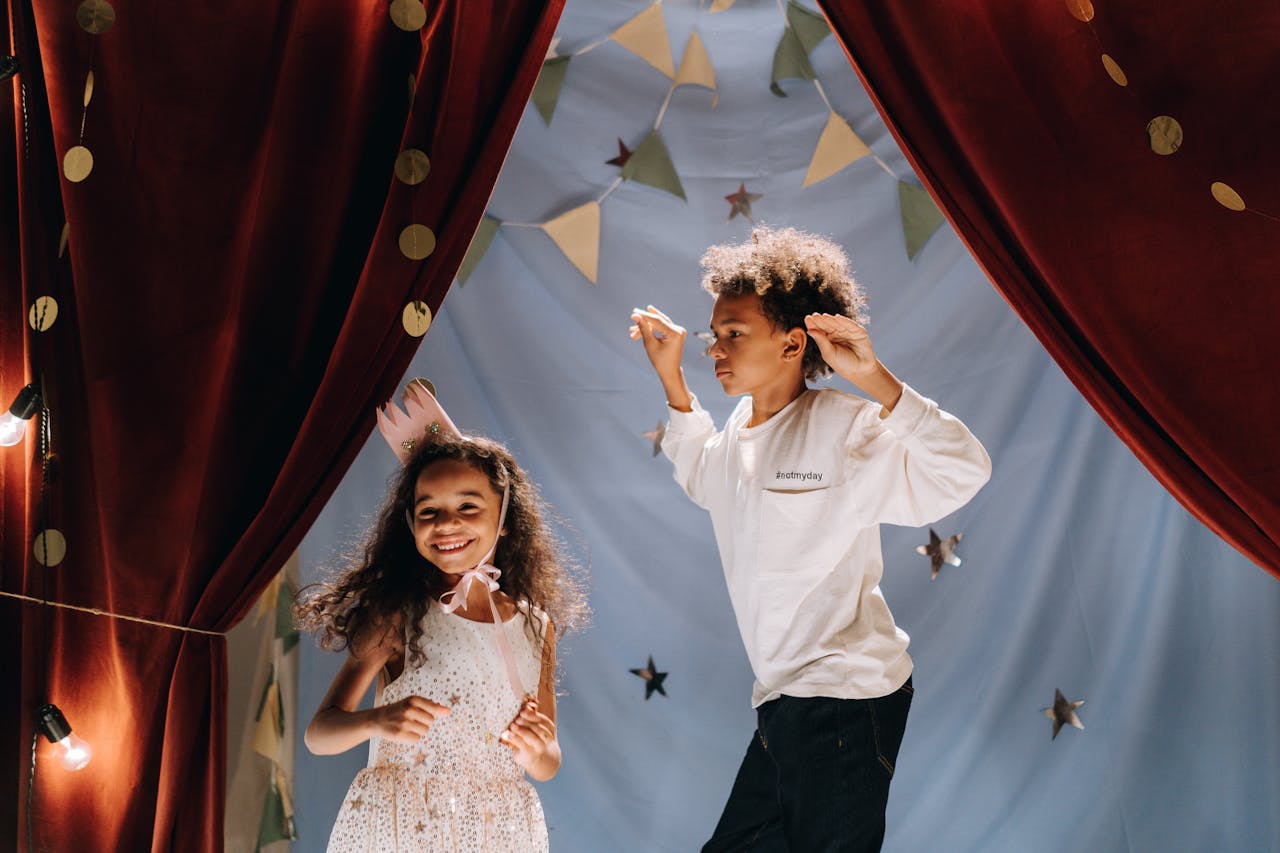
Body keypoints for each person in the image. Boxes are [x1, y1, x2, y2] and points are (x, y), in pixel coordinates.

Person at [629, 226, 991, 851]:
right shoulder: (737, 434)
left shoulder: (845, 427)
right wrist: (672, 383)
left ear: (794, 343)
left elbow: (964, 469)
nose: (717, 348)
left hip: (846, 698)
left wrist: (876, 379)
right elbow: (701, 475)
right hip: (783, 700)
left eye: (734, 334)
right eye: (715, 335)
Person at [295, 380, 586, 852]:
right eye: (428, 510)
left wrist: (537, 750)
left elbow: (548, 762)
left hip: (497, 830)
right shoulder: (398, 613)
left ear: (505, 518)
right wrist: (376, 721)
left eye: (467, 507)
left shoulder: (536, 627)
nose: (446, 524)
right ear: (410, 523)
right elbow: (319, 734)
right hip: (403, 827)